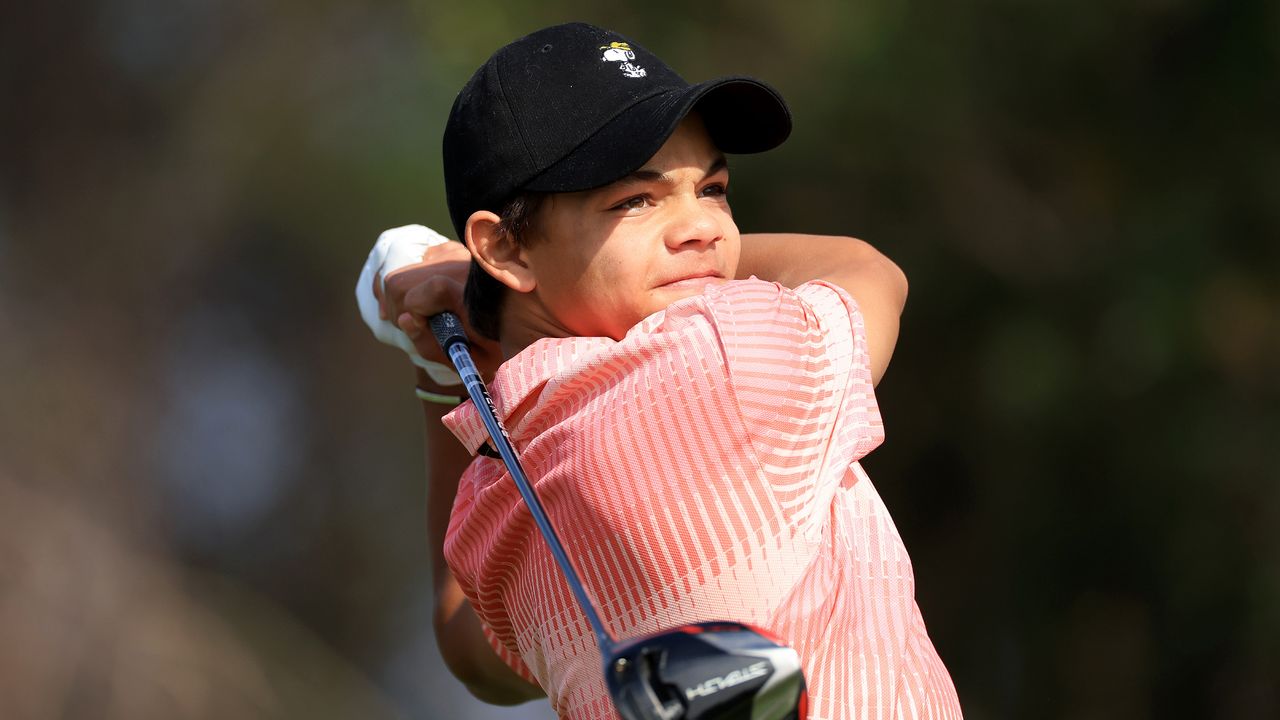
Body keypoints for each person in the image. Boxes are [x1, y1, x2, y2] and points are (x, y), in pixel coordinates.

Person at [359, 22, 963, 720]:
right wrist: (467, 284)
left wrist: (442, 367)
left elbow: (470, 651)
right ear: (503, 248)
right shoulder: (729, 362)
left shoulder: (493, 503)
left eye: (711, 188)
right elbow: (866, 270)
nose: (703, 229)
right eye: (636, 201)